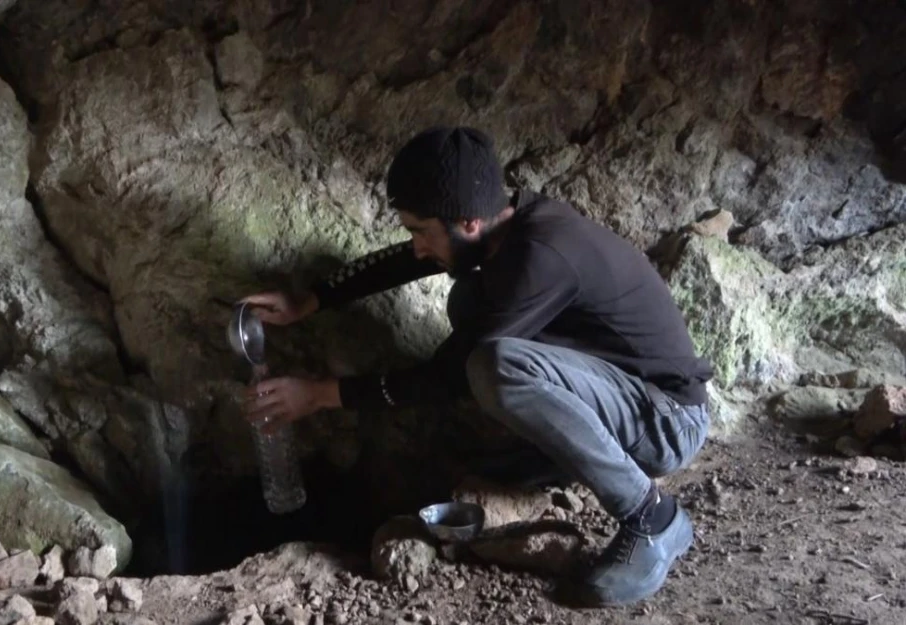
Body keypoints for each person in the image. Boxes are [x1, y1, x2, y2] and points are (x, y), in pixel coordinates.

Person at [239, 126, 713, 607]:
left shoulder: (540, 257)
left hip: (667, 420)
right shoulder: (502, 225)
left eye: (421, 231)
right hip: (623, 394)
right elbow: (407, 260)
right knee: (470, 299)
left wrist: (320, 395)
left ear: (467, 222)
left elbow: (446, 376)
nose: (418, 246)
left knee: (493, 364)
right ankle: (554, 459)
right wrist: (312, 300)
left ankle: (653, 519)